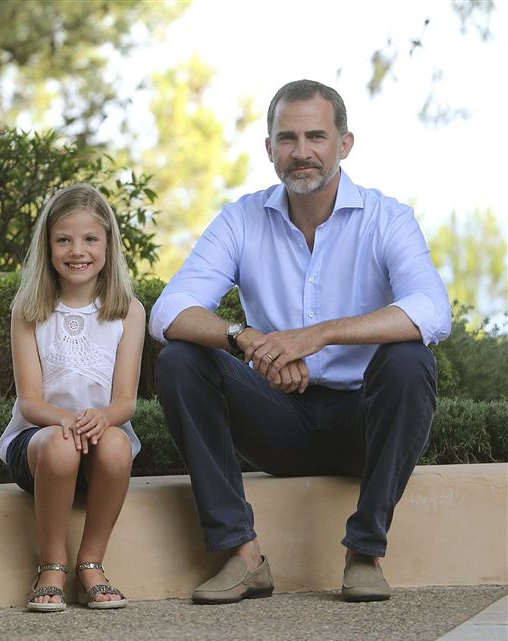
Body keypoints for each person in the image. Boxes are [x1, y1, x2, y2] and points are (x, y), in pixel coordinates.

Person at [150, 80, 452, 604]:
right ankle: (241, 554)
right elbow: (169, 310)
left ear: (344, 144)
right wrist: (251, 341)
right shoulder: (240, 219)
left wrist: (316, 336)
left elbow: (432, 310)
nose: (301, 151)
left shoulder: (387, 219)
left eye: (316, 136)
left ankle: (365, 553)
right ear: (269, 148)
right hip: (278, 418)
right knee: (180, 359)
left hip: (363, 426)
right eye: (287, 138)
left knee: (410, 360)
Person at [0, 183, 146, 612]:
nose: (77, 251)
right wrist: (67, 422)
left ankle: (91, 563)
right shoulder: (29, 310)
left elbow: (126, 402)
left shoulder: (128, 311)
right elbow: (29, 402)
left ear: (108, 244)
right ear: (47, 246)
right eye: (63, 240)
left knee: (117, 444)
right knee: (62, 445)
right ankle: (51, 566)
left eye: (90, 239)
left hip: (100, 441)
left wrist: (102, 419)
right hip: (38, 445)